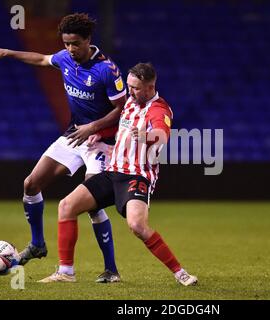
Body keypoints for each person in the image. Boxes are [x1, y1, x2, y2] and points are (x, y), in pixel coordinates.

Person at [0, 13, 125, 283]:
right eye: (66, 43)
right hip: (74, 135)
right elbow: (43, 59)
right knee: (31, 184)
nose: (70, 49)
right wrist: (8, 52)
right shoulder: (66, 58)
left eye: (75, 43)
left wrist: (93, 128)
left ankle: (109, 270)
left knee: (91, 204)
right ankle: (37, 245)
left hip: (102, 142)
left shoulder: (107, 69)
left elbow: (122, 109)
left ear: (88, 40)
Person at [38, 62, 198, 286]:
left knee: (137, 226)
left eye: (135, 87)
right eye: (129, 85)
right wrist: (100, 133)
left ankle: (180, 273)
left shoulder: (159, 109)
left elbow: (161, 134)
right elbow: (120, 127)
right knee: (66, 206)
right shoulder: (131, 103)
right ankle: (66, 272)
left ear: (150, 87)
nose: (129, 91)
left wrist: (145, 136)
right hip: (112, 172)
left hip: (136, 176)